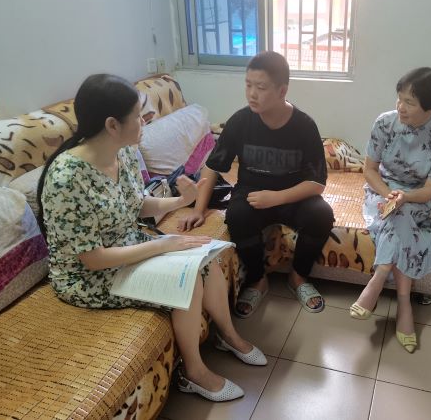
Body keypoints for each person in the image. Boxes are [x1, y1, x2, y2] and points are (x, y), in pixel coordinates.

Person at [36, 74, 266, 402]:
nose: (145, 122)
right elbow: (92, 259)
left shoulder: (123, 152)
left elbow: (138, 203)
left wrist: (182, 201)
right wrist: (160, 245)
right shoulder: (67, 179)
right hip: (87, 277)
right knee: (186, 280)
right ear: (112, 125)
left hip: (129, 245)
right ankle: (193, 373)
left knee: (206, 259)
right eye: (138, 116)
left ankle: (227, 336)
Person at [179, 51, 334, 318]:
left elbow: (317, 183)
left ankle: (298, 276)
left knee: (321, 214)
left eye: (260, 87)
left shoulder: (304, 126)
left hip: (292, 196)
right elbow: (213, 166)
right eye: (248, 85)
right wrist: (198, 209)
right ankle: (258, 280)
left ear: (282, 90)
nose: (252, 94)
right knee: (236, 215)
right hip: (251, 195)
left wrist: (276, 197)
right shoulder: (241, 121)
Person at [349, 67, 431, 354]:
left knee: (404, 214)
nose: (401, 107)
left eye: (410, 102)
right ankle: (405, 303)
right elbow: (369, 170)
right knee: (398, 216)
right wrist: (389, 195)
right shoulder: (385, 123)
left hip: (417, 196)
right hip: (382, 190)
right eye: (399, 98)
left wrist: (405, 197)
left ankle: (380, 275)